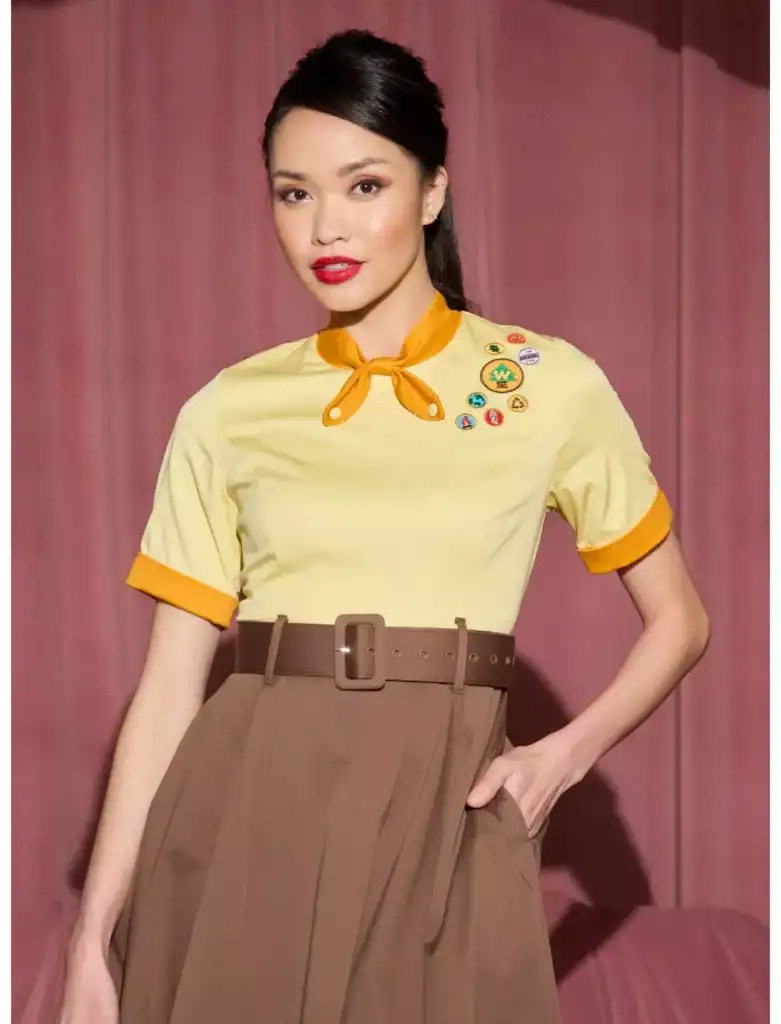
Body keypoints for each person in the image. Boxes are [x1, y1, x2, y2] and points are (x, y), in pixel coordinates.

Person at [56, 27, 710, 1024]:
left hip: (444, 810)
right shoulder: (229, 408)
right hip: (246, 802)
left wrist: (560, 757)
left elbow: (681, 621)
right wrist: (94, 942)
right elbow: (170, 686)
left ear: (432, 193)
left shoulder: (543, 384)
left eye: (364, 185)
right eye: (293, 191)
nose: (326, 224)